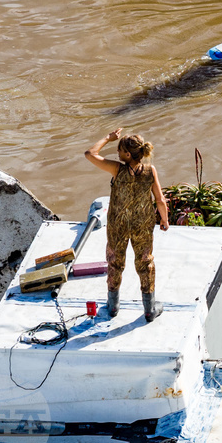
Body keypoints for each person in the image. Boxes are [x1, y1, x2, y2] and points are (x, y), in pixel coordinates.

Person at [85, 128, 170, 322]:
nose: (117, 152)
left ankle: (113, 307)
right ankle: (149, 309)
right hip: (142, 225)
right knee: (145, 263)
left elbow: (90, 154)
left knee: (115, 262)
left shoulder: (117, 170)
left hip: (118, 225)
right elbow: (159, 200)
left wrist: (107, 137)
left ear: (128, 154)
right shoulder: (150, 170)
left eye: (120, 150)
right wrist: (164, 220)